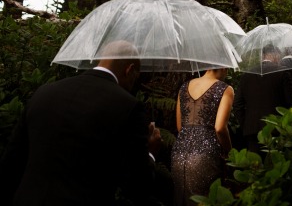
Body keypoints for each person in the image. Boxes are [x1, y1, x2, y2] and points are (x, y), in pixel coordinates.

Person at [0, 40, 162, 206]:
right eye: (136, 77)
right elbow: (137, 187)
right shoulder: (129, 106)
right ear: (129, 70)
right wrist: (149, 152)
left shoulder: (44, 92)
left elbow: (11, 164)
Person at [171, 68, 234, 206]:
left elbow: (180, 127)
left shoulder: (183, 87)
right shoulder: (225, 89)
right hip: (206, 155)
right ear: (222, 65)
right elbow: (220, 128)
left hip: (179, 153)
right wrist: (231, 154)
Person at [233, 44, 292, 154]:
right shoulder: (283, 72)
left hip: (252, 130)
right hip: (276, 129)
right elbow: (290, 102)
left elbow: (237, 104)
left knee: (256, 166)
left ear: (263, 56)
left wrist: (246, 124)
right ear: (276, 55)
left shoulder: (246, 74)